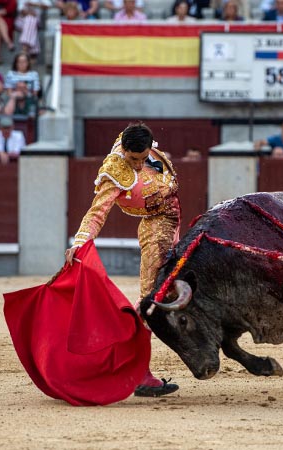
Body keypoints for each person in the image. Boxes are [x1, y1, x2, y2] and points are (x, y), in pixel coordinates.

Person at [65, 122, 180, 398]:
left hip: (173, 223)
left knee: (172, 288)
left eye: (142, 159)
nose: (139, 166)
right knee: (151, 298)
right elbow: (97, 212)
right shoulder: (115, 171)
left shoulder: (140, 142)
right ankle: (137, 372)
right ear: (124, 151)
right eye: (133, 160)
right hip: (156, 225)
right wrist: (80, 242)